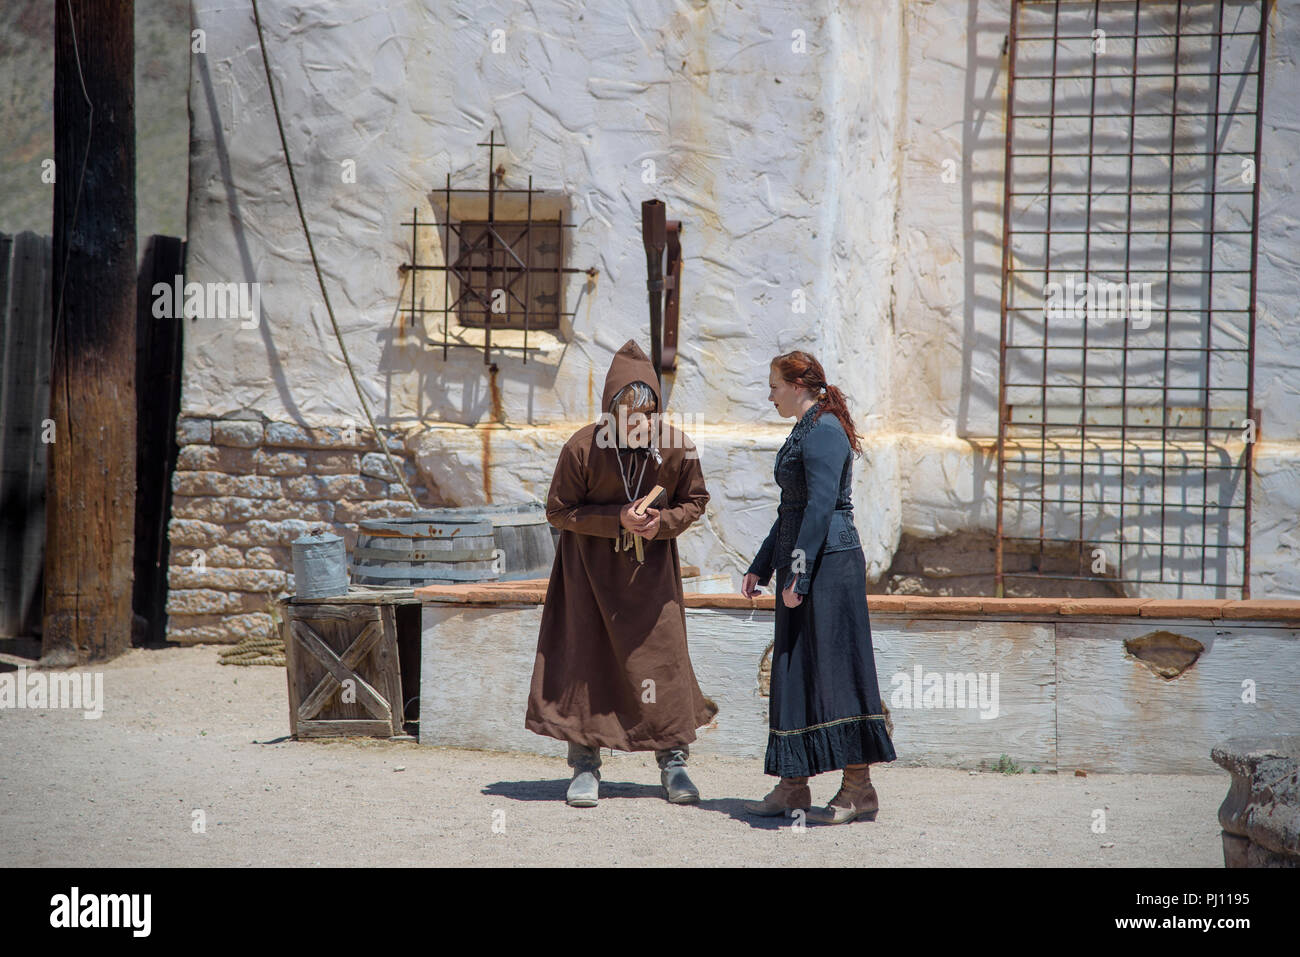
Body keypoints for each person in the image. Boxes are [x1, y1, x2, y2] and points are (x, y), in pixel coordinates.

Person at [525, 339, 716, 808]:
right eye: (630, 417)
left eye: (647, 415)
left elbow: (695, 502)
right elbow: (558, 511)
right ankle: (585, 767)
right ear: (611, 414)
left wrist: (660, 523)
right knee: (585, 665)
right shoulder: (582, 448)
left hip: (651, 581)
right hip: (588, 579)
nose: (640, 425)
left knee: (662, 664)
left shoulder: (674, 446)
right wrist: (615, 520)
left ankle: (673, 764)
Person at [741, 350, 897, 824]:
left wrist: (799, 575)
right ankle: (793, 786)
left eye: (773, 386)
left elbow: (822, 508)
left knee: (836, 672)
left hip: (830, 566)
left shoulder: (825, 430)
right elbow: (793, 508)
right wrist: (762, 566)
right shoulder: (804, 429)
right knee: (793, 670)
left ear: (797, 385)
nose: (769, 395)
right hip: (803, 562)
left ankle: (858, 788)